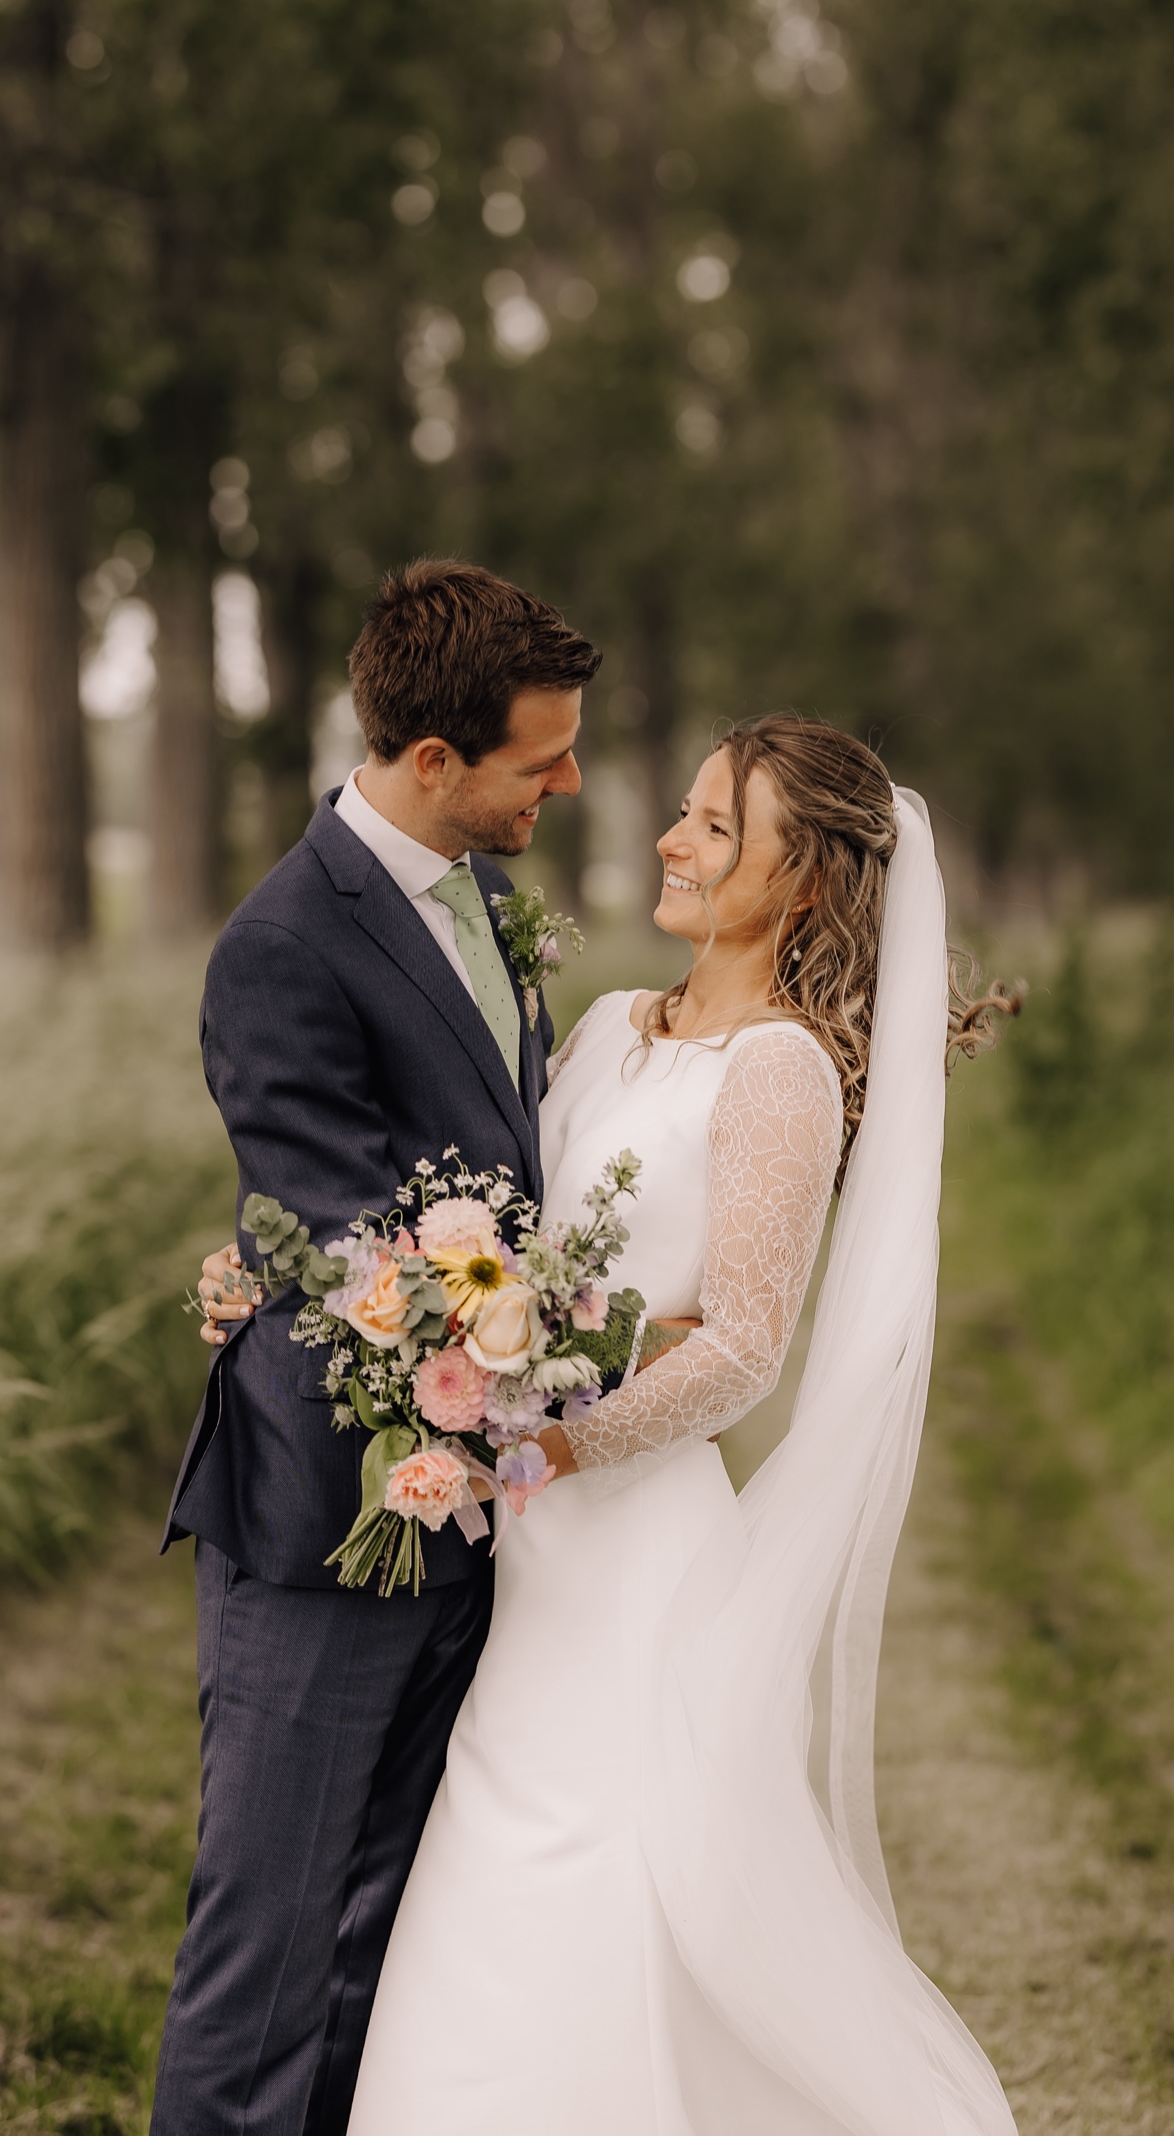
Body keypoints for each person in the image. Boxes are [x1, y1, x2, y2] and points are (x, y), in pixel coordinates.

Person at [346, 715, 1021, 2134]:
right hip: (532, 1553)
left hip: (633, 1553)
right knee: (492, 1848)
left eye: (717, 828)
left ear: (809, 884)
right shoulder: (603, 1028)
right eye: (690, 812)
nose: (673, 837)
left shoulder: (774, 1071)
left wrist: (542, 1447)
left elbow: (741, 1353)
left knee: (596, 1868)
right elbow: (526, 1257)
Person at [150, 560, 600, 2136]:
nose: (570, 779)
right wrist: (595, 1334)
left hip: (465, 1509)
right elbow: (350, 1232)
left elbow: (491, 1168)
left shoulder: (481, 897)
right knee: (268, 1938)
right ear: (434, 762)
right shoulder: (284, 943)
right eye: (541, 758)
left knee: (386, 1939)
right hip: (325, 1511)